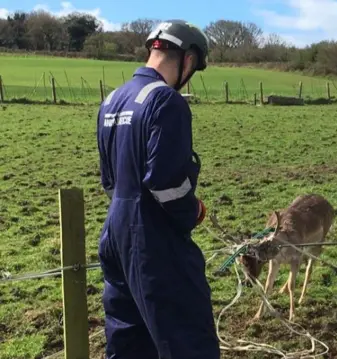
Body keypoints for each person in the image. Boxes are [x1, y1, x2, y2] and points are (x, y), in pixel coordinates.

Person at [96, 19, 221, 359]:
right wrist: (192, 210)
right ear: (189, 60)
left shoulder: (111, 101)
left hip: (114, 235)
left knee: (129, 342)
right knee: (188, 341)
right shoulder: (166, 101)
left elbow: (109, 181)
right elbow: (167, 184)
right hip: (155, 243)